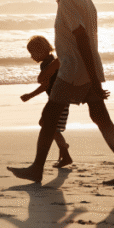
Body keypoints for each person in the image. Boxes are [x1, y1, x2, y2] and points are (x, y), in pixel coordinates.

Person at [8, 0, 114, 185]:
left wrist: (94, 80)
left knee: (49, 117)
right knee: (101, 118)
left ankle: (36, 169)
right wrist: (88, 75)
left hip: (73, 72)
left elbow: (81, 39)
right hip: (84, 70)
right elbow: (74, 42)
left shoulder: (68, 1)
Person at [20, 35, 72, 168]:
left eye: (33, 53)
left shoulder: (48, 64)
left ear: (42, 51)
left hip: (58, 100)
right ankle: (64, 151)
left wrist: (30, 95)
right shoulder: (51, 61)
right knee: (47, 124)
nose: (32, 57)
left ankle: (64, 151)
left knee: (49, 126)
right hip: (58, 99)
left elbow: (45, 85)